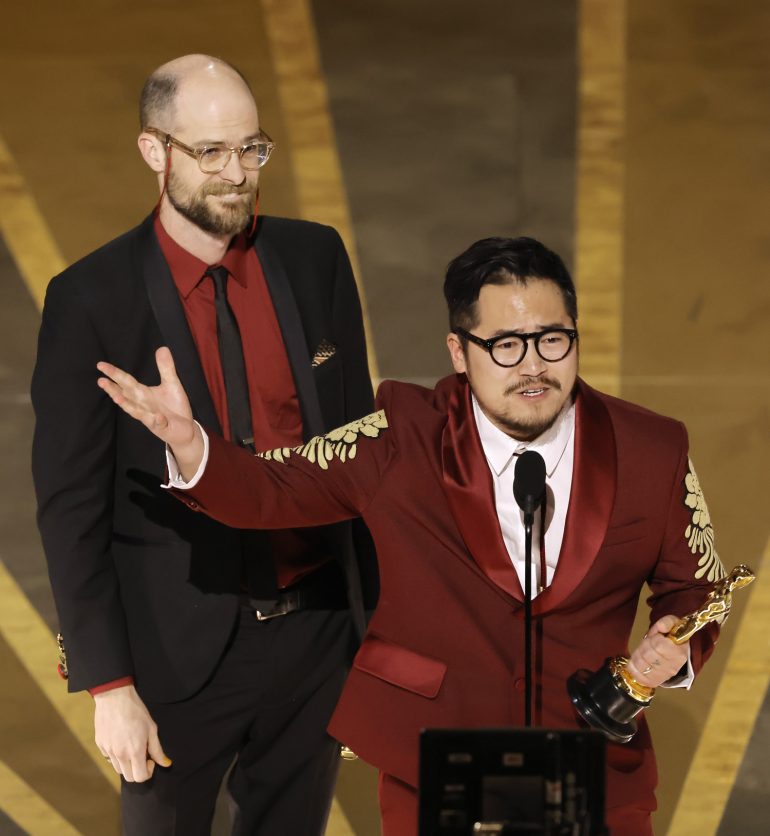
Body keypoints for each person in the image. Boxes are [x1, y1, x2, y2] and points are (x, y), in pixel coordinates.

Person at [97, 236, 726, 836]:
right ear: (459, 352)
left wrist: (675, 646)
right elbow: (273, 489)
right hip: (439, 766)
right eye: (506, 345)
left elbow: (697, 589)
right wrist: (190, 444)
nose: (533, 366)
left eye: (553, 340)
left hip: (592, 761)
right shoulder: (401, 440)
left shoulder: (651, 448)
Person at [31, 54, 376, 836]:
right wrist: (109, 686)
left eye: (252, 148)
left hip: (317, 634)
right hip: (171, 655)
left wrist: (375, 635)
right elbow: (70, 508)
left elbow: (358, 454)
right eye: (211, 151)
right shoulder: (91, 299)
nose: (237, 174)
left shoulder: (315, 259)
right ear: (154, 151)